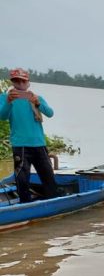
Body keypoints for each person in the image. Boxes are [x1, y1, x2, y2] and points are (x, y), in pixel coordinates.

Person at [0, 68, 58, 203]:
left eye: (23, 81)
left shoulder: (36, 98)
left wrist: (38, 103)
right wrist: (9, 102)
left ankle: (53, 202)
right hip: (20, 145)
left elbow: (50, 113)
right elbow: (2, 116)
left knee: (48, 176)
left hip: (39, 143)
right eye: (17, 81)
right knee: (22, 179)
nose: (20, 84)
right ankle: (24, 204)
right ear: (12, 82)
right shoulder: (5, 98)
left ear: (28, 82)